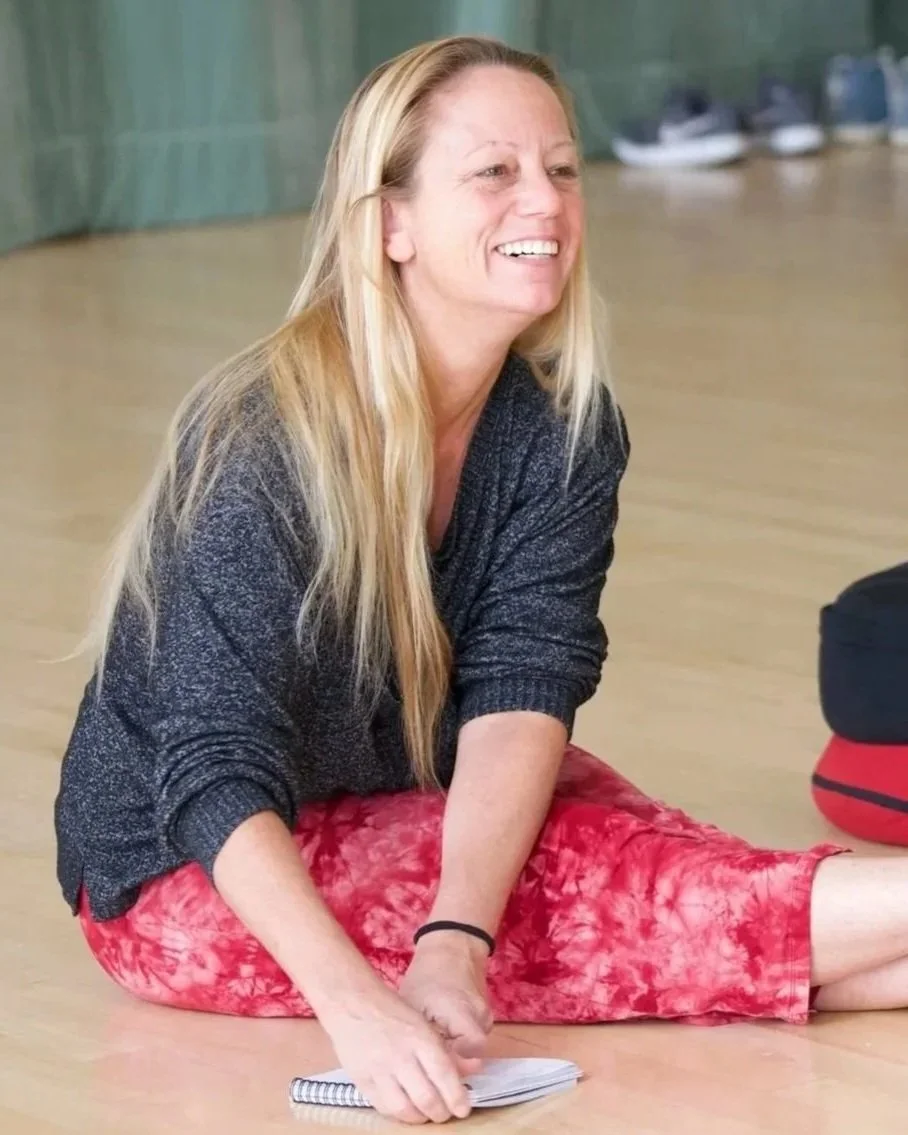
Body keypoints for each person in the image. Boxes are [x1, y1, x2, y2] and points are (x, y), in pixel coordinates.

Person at [53, 34, 908, 1128]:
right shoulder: (265, 441)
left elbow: (521, 690)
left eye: (561, 168)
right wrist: (358, 1007)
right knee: (616, 890)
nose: (543, 201)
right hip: (186, 869)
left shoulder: (561, 430)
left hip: (402, 787)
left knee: (658, 865)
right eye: (494, 171)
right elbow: (211, 768)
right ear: (390, 224)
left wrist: (457, 941)